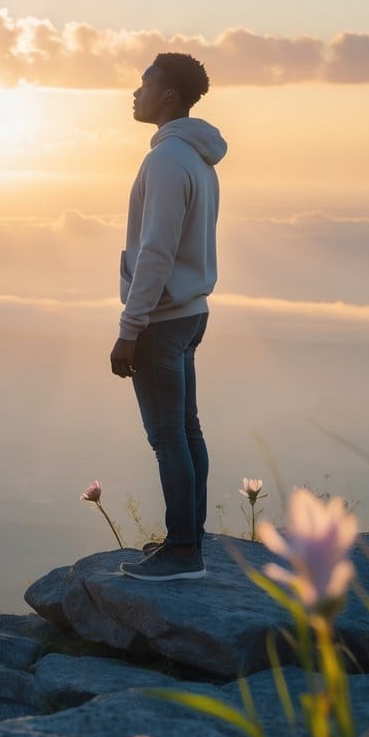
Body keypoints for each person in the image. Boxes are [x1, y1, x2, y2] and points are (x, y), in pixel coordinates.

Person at [111, 53, 227, 581]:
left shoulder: (165, 161)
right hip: (191, 313)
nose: (135, 92)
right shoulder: (197, 160)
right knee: (186, 429)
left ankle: (183, 553)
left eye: (144, 82)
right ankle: (190, 538)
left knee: (167, 436)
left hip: (161, 321)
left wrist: (128, 330)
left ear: (169, 96)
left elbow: (156, 253)